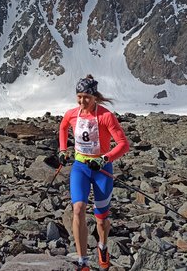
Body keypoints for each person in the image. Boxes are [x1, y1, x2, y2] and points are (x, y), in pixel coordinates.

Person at [58, 75, 129, 271]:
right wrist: (63, 150)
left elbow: (124, 145)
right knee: (78, 209)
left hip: (102, 171)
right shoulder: (72, 114)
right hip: (80, 168)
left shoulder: (106, 116)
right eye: (79, 97)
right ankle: (83, 262)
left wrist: (104, 159)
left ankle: (103, 246)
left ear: (95, 97)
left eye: (86, 97)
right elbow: (63, 127)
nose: (82, 101)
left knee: (101, 220)